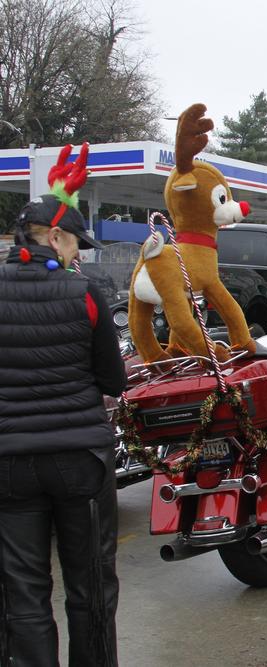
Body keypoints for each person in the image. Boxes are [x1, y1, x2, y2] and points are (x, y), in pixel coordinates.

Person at [0, 144, 126, 666]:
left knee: (22, 590)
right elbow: (112, 380)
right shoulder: (87, 294)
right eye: (75, 242)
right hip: (81, 460)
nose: (79, 253)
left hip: (10, 464)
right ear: (53, 236)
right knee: (90, 583)